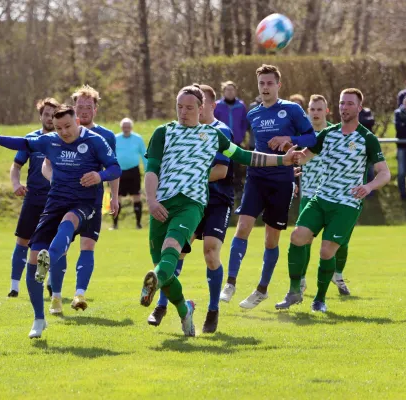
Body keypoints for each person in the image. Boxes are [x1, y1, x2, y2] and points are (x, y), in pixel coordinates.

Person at [140, 84, 298, 337]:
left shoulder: (213, 135)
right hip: (161, 203)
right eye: (179, 107)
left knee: (173, 248)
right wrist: (151, 201)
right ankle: (184, 308)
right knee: (165, 268)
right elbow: (152, 169)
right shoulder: (163, 132)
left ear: (201, 109)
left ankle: (158, 285)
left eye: (189, 107)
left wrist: (282, 160)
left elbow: (246, 156)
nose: (183, 112)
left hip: (191, 204)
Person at [0, 104, 121, 338]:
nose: (64, 131)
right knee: (33, 257)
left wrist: (100, 175)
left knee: (69, 220)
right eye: (58, 128)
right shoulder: (50, 141)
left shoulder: (95, 141)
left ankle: (52, 260)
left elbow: (115, 168)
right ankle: (38, 319)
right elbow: (24, 143)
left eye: (67, 126)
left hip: (84, 203)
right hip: (54, 201)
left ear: (77, 121)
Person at [276, 88, 391, 313]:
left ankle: (319, 299)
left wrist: (368, 186)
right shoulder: (328, 133)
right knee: (298, 236)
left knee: (326, 251)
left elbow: (384, 173)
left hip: (346, 204)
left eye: (349, 104)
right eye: (341, 103)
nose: (344, 107)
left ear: (359, 107)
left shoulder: (367, 138)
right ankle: (293, 292)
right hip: (321, 197)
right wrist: (293, 157)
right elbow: (306, 156)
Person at [219, 64, 316, 310]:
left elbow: (312, 138)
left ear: (278, 85)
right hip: (257, 177)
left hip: (282, 181)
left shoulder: (292, 109)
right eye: (261, 83)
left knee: (271, 240)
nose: (265, 87)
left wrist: (289, 140)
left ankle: (262, 289)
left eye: (269, 83)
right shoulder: (253, 114)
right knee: (242, 226)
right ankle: (229, 283)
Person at [147, 84, 234, 334]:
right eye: (181, 106)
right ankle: (165, 305)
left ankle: (213, 309)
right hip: (182, 199)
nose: (186, 111)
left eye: (194, 105)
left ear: (206, 106)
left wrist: (187, 175)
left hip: (214, 201)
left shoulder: (219, 132)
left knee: (210, 253)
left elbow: (222, 170)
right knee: (175, 255)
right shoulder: (173, 132)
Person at [40, 84, 118, 313]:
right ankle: (56, 296)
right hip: (63, 201)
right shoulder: (60, 133)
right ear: (74, 108)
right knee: (62, 245)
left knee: (88, 244)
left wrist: (114, 196)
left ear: (96, 109)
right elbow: (46, 165)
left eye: (88, 106)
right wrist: (57, 182)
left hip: (91, 200)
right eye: (80, 106)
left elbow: (113, 167)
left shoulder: (105, 136)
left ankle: (79, 295)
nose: (84, 110)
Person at [298, 95, 351, 296]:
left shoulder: (336, 133)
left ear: (327, 111)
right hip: (309, 195)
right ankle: (301, 280)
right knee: (304, 241)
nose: (316, 113)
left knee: (341, 241)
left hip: (335, 196)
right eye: (312, 109)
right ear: (308, 111)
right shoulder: (303, 135)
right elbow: (295, 160)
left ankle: (338, 275)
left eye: (319, 109)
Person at [7, 98, 58, 298]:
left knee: (55, 244)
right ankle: (14, 287)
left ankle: (53, 284)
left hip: (55, 200)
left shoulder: (64, 141)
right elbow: (16, 166)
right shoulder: (30, 140)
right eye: (46, 114)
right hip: (33, 198)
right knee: (22, 241)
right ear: (40, 116)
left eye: (53, 115)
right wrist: (16, 184)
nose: (49, 118)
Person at [112, 117, 147, 230]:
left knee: (136, 197)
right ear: (121, 128)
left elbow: (144, 155)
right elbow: (110, 155)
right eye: (124, 127)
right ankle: (115, 224)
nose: (126, 129)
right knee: (116, 198)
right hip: (119, 172)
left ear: (131, 128)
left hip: (133, 171)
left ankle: (138, 224)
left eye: (128, 127)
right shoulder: (115, 138)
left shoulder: (138, 139)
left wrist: (148, 170)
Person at [214, 81, 248, 146]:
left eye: (232, 89)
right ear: (223, 91)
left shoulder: (241, 106)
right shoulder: (217, 105)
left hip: (237, 141)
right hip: (221, 141)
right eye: (228, 89)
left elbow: (244, 122)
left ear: (235, 91)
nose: (230, 92)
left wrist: (242, 135)